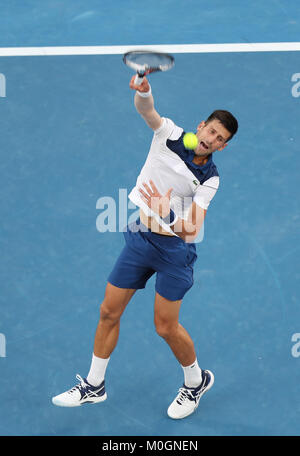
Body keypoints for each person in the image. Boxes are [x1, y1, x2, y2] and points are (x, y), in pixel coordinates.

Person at [52, 75, 238, 419]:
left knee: (165, 327)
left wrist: (166, 210)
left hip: (173, 254)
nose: (212, 140)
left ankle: (195, 381)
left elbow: (192, 228)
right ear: (202, 126)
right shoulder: (167, 133)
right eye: (211, 131)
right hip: (140, 238)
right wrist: (144, 90)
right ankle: (95, 385)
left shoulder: (210, 178)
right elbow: (147, 110)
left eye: (220, 139)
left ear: (223, 147)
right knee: (108, 311)